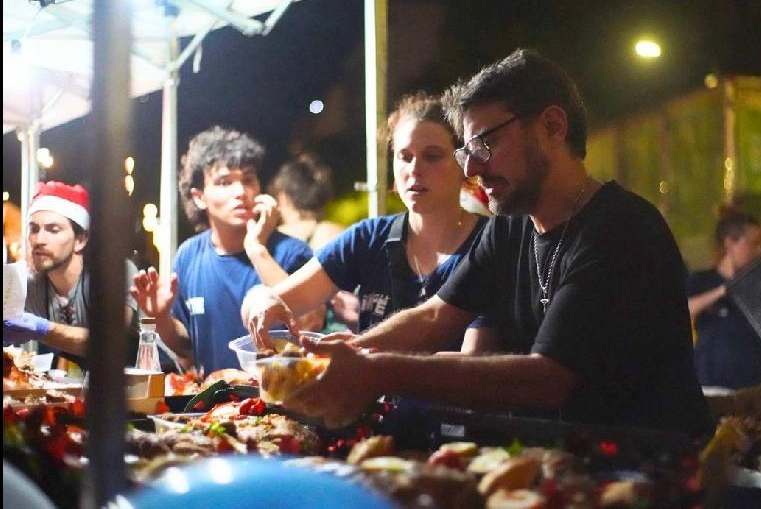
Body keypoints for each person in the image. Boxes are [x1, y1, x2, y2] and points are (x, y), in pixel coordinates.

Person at [250, 49, 713, 436]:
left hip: (652, 469)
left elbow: (546, 379)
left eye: (485, 145)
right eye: (466, 151)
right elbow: (434, 315)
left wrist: (376, 370)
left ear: (553, 126)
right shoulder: (512, 225)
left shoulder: (621, 228)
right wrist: (350, 355)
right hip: (564, 461)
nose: (471, 169)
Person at [242, 91, 495, 354]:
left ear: (463, 164)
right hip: (369, 395)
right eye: (404, 156)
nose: (414, 169)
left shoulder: (490, 242)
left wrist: (360, 351)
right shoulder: (370, 236)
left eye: (432, 156)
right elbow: (281, 299)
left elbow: (470, 363)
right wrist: (260, 298)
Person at [130, 126, 319, 374]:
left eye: (248, 179)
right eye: (225, 182)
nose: (241, 192)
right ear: (199, 197)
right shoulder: (189, 256)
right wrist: (161, 317)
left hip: (284, 400)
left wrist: (256, 249)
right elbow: (187, 346)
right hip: (218, 407)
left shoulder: (292, 252)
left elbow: (310, 324)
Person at [2, 181, 140, 369]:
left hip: (163, 383)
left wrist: (44, 329)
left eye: (53, 230)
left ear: (80, 240)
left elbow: (109, 342)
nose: (39, 240)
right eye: (34, 229)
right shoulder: (32, 285)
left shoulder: (114, 273)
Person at [687, 208, 761, 389]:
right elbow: (683, 310)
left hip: (758, 386)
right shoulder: (702, 280)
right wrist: (722, 291)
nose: (759, 251)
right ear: (730, 244)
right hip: (714, 384)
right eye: (753, 244)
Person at [270, 152, 357, 332]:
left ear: (283, 198)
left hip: (289, 336)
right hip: (342, 337)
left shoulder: (275, 241)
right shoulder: (340, 233)